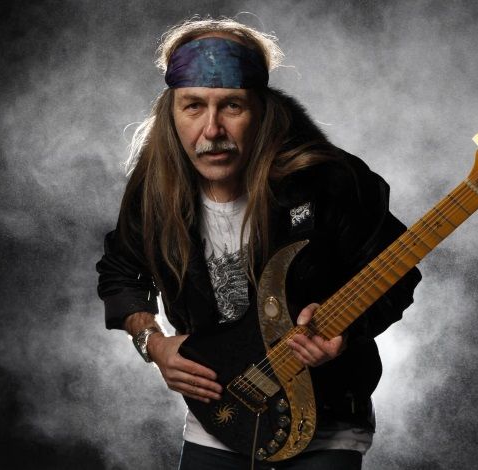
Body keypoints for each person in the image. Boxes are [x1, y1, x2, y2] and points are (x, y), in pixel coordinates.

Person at [96, 17, 421, 470]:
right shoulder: (155, 190)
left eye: (232, 106)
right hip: (220, 422)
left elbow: (396, 272)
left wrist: (344, 335)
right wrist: (152, 342)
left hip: (327, 424)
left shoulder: (330, 180)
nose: (212, 130)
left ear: (262, 111)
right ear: (172, 113)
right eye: (193, 107)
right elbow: (121, 269)